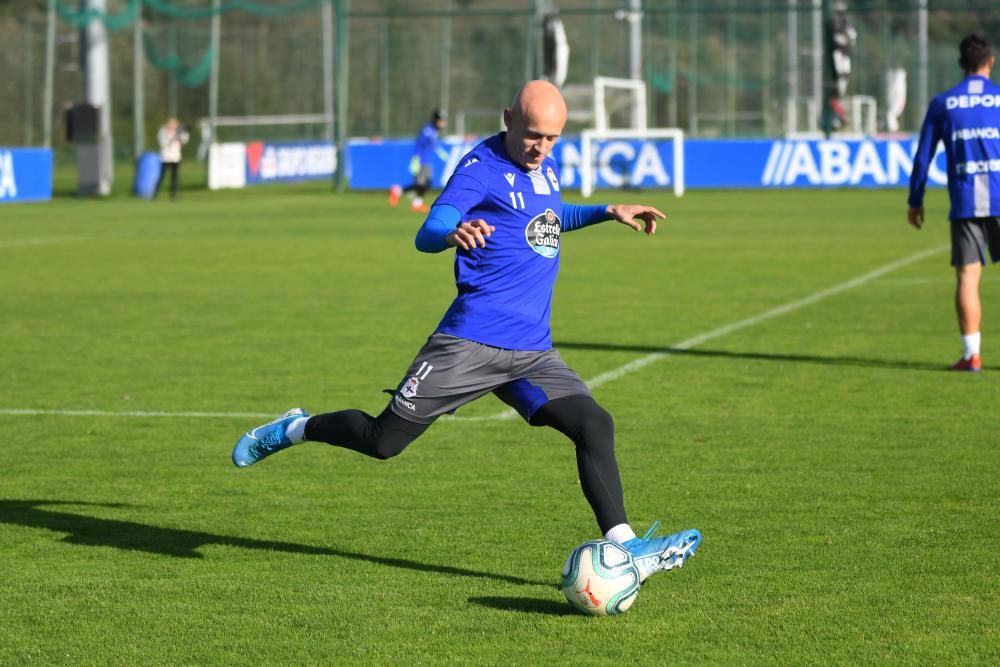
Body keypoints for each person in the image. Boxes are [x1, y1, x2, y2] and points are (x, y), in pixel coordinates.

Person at [233, 80, 701, 583]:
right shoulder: (480, 170)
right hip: (470, 344)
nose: (540, 147)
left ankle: (625, 546)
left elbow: (547, 217)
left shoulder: (544, 166)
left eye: (551, 139)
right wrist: (452, 232)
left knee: (594, 424)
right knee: (382, 441)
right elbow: (427, 231)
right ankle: (296, 427)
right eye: (532, 135)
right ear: (508, 118)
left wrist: (606, 212)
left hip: (532, 352)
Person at [908, 33, 1000, 372]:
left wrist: (915, 200)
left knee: (967, 278)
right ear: (991, 62)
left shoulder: (943, 103)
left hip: (965, 203)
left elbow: (922, 158)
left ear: (961, 65)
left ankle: (971, 355)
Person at [389, 110, 447, 213]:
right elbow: (422, 144)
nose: (443, 123)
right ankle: (398, 191)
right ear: (435, 120)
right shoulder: (428, 130)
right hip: (421, 160)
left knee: (426, 183)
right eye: (441, 120)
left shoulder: (433, 130)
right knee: (421, 184)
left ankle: (414, 201)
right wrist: (416, 159)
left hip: (426, 160)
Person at [154, 117, 189, 200]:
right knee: (161, 176)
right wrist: (171, 137)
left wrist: (183, 133)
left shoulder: (179, 133)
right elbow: (163, 143)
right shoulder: (162, 132)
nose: (173, 125)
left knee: (174, 178)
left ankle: (173, 195)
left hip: (175, 157)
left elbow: (184, 140)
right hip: (165, 157)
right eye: (172, 124)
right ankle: (155, 194)